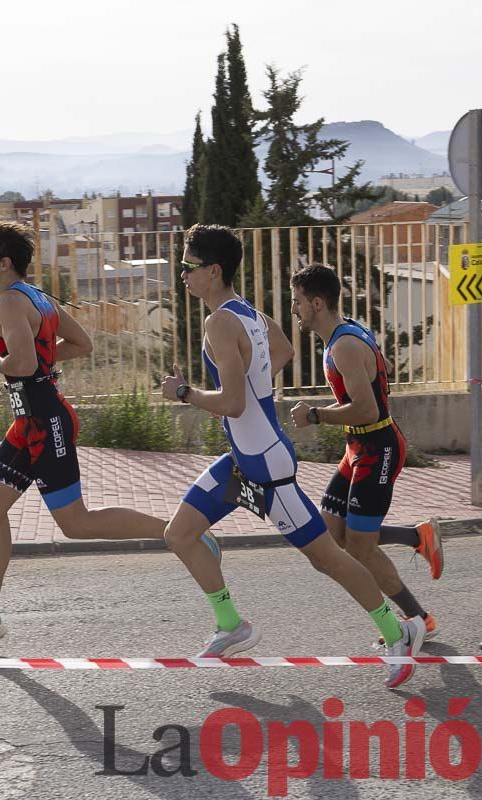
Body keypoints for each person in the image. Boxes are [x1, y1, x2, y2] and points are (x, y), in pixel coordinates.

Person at [159, 225, 425, 688]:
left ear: (213, 270)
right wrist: (254, 379)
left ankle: (397, 631)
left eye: (187, 266)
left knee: (328, 558)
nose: (181, 275)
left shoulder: (220, 321)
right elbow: (279, 351)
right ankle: (231, 626)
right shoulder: (250, 315)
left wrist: (183, 392)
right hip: (246, 456)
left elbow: (233, 403)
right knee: (181, 534)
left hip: (266, 467)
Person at [0, 221, 218, 639]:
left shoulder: (9, 304)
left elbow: (24, 364)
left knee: (77, 523)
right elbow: (82, 344)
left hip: (44, 423)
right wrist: (39, 362)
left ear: (3, 262)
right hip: (29, 422)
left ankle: (179, 530)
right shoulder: (38, 298)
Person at [286, 264, 444, 639]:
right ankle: (417, 537)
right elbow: (382, 366)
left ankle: (419, 618)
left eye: (297, 302)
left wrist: (315, 414)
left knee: (360, 546)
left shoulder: (343, 345)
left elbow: (368, 408)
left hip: (378, 447)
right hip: (357, 446)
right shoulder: (348, 332)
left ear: (317, 303)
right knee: (333, 533)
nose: (293, 309)